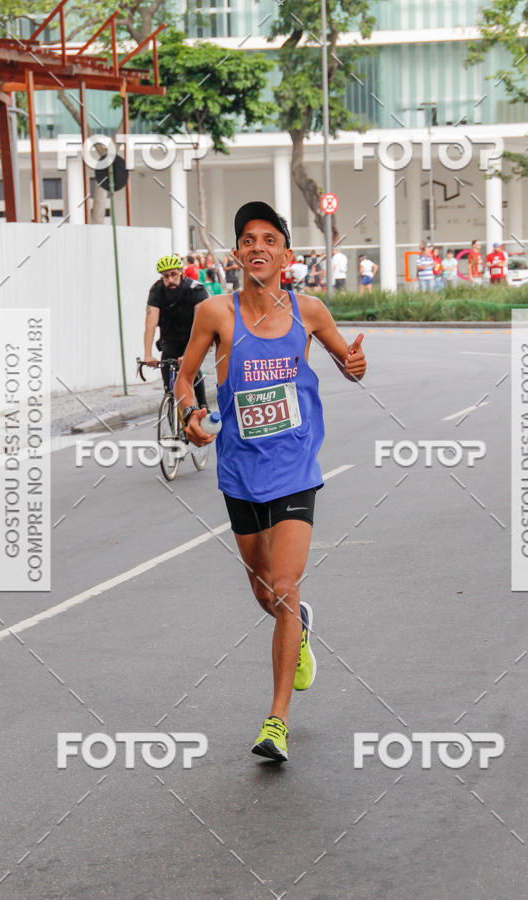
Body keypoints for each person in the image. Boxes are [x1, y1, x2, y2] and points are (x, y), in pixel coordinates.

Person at [175, 201, 366, 763]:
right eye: (247, 239)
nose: (257, 246)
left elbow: (346, 364)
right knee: (266, 594)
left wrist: (354, 366)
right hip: (239, 472)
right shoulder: (215, 312)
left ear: (285, 253)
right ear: (237, 253)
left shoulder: (308, 310)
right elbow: (185, 377)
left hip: (294, 467)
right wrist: (189, 413)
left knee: (283, 586)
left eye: (268, 238)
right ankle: (300, 629)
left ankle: (276, 721)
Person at [143, 254, 209, 408]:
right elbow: (150, 324)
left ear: (181, 273)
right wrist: (147, 354)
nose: (170, 279)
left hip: (192, 337)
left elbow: (200, 326)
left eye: (173, 274)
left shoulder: (196, 290)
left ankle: (203, 407)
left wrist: (189, 353)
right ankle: (172, 411)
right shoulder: (157, 290)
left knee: (193, 372)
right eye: (166, 276)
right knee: (168, 380)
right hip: (170, 339)